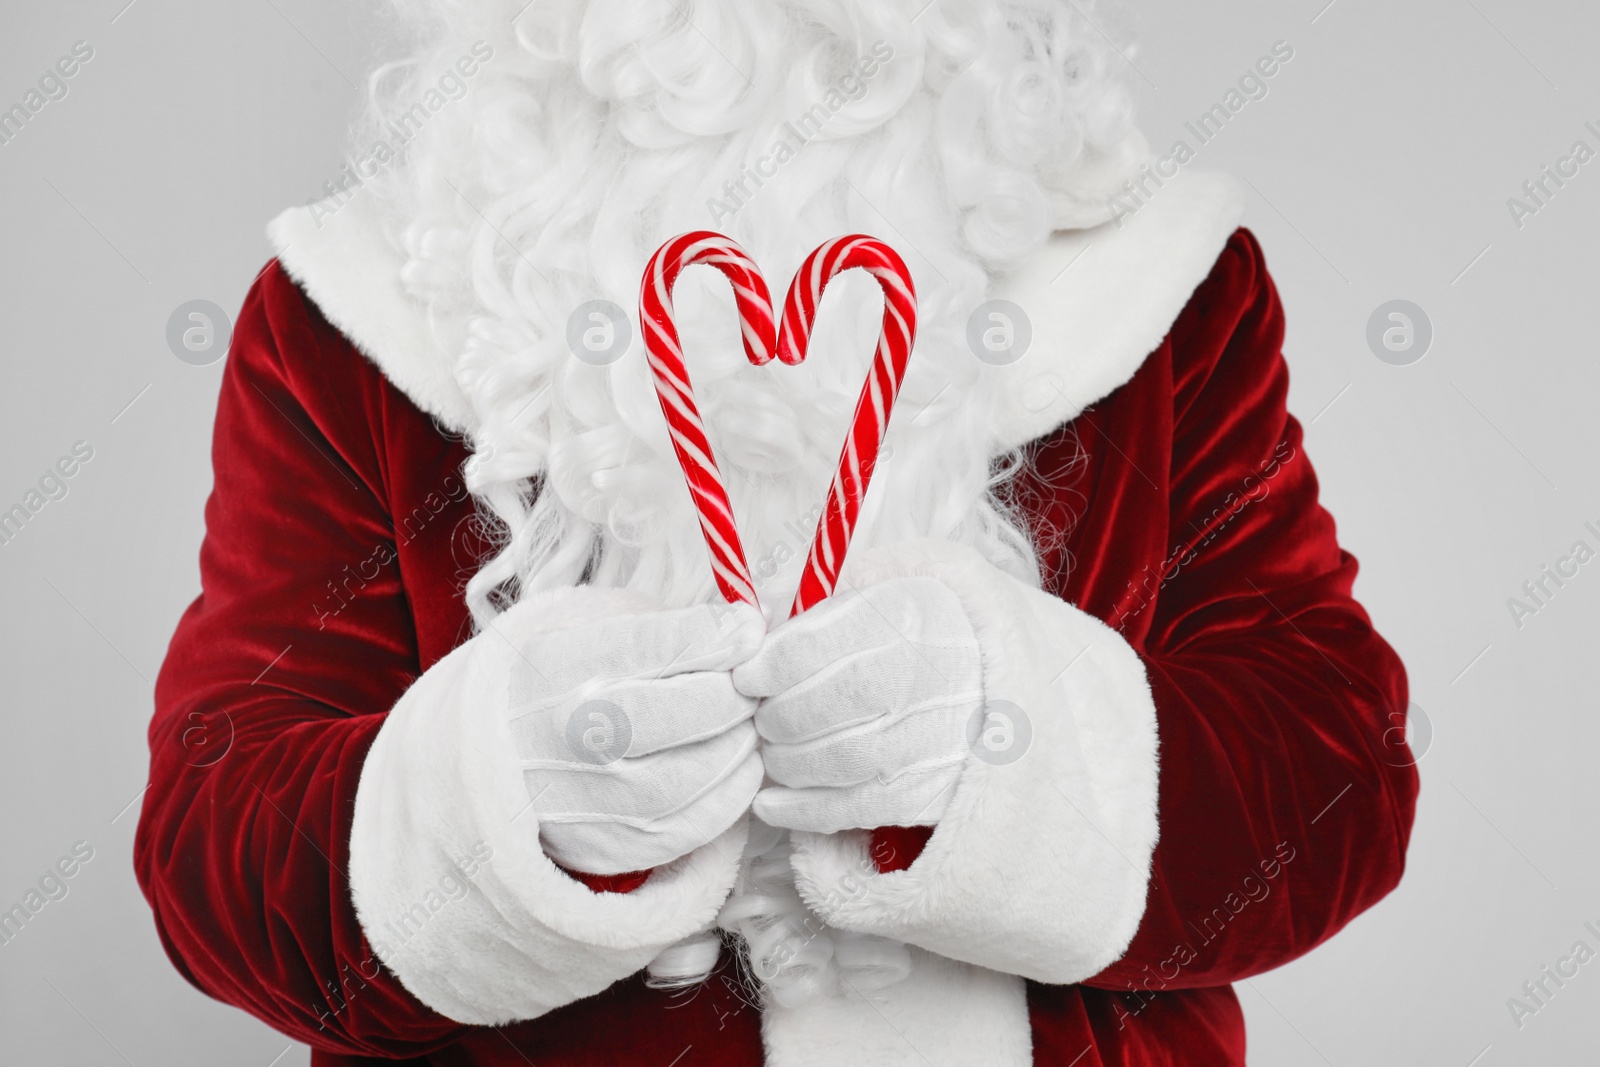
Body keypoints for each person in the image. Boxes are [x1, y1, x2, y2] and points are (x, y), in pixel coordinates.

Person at [133, 2, 1419, 1064]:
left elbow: (1340, 774)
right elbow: (211, 847)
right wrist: (487, 794)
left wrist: (1022, 744)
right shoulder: (353, 309)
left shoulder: (1155, 279)